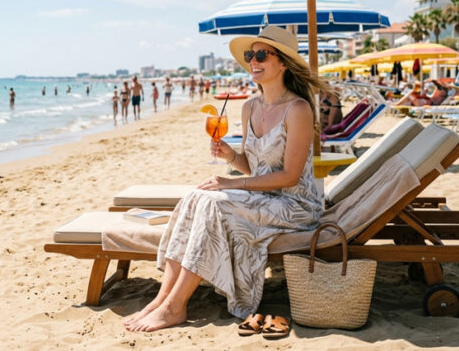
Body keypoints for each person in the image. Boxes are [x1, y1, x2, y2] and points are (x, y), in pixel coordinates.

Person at [125, 26, 328, 332]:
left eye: (262, 54)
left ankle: (175, 307)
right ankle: (161, 298)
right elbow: (255, 169)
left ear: (284, 63)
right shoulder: (249, 107)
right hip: (263, 198)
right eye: (250, 55)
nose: (253, 61)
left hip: (296, 204)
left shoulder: (297, 109)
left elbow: (290, 176)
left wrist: (231, 183)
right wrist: (231, 157)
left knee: (215, 203)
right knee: (196, 196)